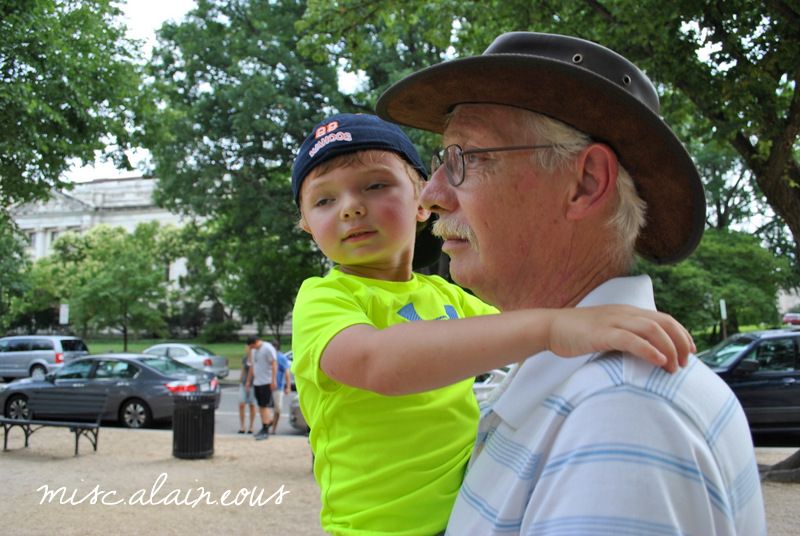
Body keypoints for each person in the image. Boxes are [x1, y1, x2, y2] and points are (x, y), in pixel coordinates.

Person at [376, 31, 766, 534]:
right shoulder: (577, 381)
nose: (429, 197)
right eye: (439, 161)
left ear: (585, 183)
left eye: (464, 159)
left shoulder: (622, 412)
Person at [290, 113, 695, 535]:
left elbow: (506, 330)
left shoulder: (445, 296)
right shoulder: (324, 299)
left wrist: (604, 322)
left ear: (423, 202)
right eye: (323, 201)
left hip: (468, 513)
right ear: (307, 226)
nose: (351, 207)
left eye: (375, 186)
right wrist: (554, 328)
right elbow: (376, 362)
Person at [244, 336, 277, 441]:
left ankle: (266, 427)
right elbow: (251, 365)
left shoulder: (267, 348)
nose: (252, 348)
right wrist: (249, 381)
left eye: (252, 346)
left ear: (256, 342)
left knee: (265, 405)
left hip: (266, 381)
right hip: (257, 381)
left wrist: (273, 380)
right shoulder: (254, 351)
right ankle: (265, 424)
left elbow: (274, 363)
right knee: (261, 406)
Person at [271, 340, 292, 434]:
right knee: (265, 408)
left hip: (278, 387)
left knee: (278, 409)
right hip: (267, 386)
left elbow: (287, 373)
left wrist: (288, 386)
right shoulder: (268, 357)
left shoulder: (281, 357)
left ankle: (273, 428)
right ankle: (267, 425)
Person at [237, 346, 256, 434]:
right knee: (241, 404)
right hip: (243, 384)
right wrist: (241, 379)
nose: (247, 349)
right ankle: (242, 426)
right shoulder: (245, 358)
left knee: (252, 405)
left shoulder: (256, 358)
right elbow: (243, 369)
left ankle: (251, 426)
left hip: (253, 384)